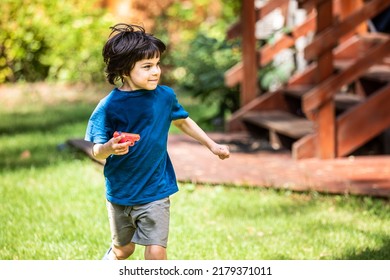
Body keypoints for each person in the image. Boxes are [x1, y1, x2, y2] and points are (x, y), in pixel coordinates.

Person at [84, 23, 230, 260]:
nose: (156, 72)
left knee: (156, 251)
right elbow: (96, 151)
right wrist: (109, 148)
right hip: (121, 190)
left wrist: (212, 145)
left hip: (155, 189)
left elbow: (183, 121)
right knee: (124, 249)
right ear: (124, 71)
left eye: (157, 64)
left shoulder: (165, 96)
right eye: (147, 66)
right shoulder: (108, 106)